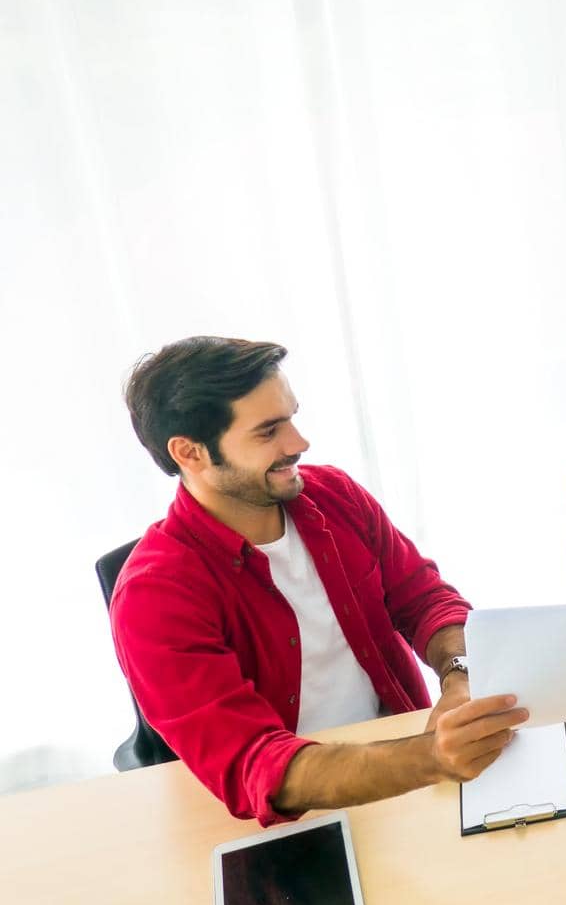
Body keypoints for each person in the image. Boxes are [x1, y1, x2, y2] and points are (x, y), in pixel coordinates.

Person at [112, 337, 526, 825]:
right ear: (190, 453)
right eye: (268, 432)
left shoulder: (334, 496)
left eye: (291, 418)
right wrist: (429, 758)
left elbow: (426, 599)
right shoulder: (154, 596)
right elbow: (256, 764)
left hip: (411, 776)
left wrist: (459, 679)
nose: (298, 443)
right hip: (302, 815)